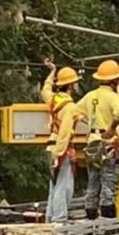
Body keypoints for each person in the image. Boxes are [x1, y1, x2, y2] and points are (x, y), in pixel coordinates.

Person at [77, 60, 119, 219]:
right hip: (108, 144)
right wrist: (111, 128)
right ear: (115, 80)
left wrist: (89, 122)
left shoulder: (90, 96)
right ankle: (108, 223)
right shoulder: (112, 97)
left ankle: (91, 219)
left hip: (92, 143)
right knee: (109, 184)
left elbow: (75, 111)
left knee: (93, 184)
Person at [40, 60, 82, 222]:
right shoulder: (70, 107)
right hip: (61, 149)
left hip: (51, 146)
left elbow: (46, 88)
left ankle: (50, 217)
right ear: (71, 86)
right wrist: (59, 154)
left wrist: (52, 72)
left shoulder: (52, 99)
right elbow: (64, 133)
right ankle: (59, 219)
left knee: (55, 185)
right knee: (64, 186)